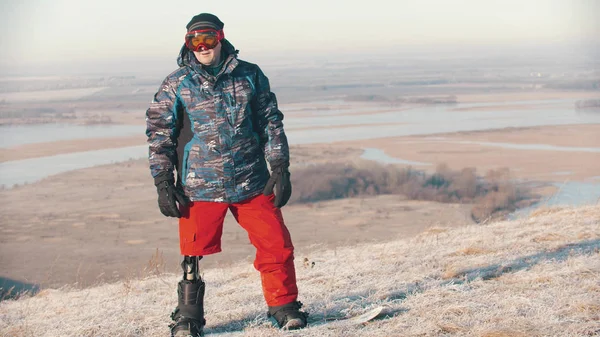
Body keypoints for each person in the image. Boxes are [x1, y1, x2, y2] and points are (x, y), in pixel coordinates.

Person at [145, 13, 308, 337]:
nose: (203, 47)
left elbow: (270, 123)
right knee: (192, 254)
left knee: (276, 245)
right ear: (187, 43)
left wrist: (280, 168)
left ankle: (284, 306)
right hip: (200, 187)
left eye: (208, 38)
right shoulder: (177, 83)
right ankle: (188, 318)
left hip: (251, 181)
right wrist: (163, 182)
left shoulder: (250, 75)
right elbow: (159, 133)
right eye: (195, 41)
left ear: (221, 38)